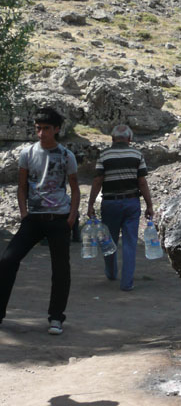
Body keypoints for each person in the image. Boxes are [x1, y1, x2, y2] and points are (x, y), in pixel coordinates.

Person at [0, 107, 79, 335]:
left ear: (56, 129)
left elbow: (75, 188)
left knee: (61, 269)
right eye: (38, 129)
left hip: (59, 218)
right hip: (33, 218)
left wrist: (72, 217)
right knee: (7, 260)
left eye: (46, 129)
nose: (42, 133)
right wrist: (24, 212)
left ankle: (56, 318)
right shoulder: (27, 153)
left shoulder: (66, 156)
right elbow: (22, 185)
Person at [87, 124, 154, 292]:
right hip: (132, 203)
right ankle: (127, 283)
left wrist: (90, 204)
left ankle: (111, 273)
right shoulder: (137, 155)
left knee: (109, 240)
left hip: (110, 204)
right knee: (130, 243)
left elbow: (97, 181)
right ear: (130, 139)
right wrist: (149, 205)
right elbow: (142, 182)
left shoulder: (104, 155)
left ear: (112, 138)